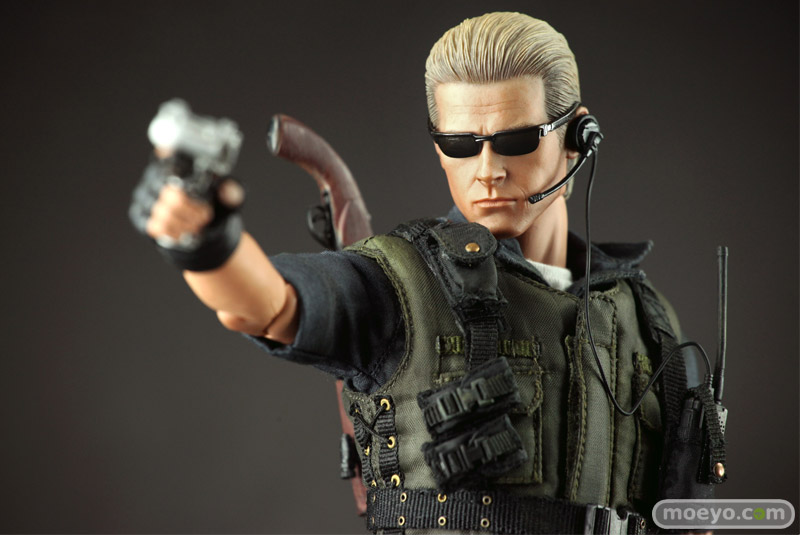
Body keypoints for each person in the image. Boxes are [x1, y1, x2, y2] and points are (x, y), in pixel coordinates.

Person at [130, 12, 707, 535]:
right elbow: (273, 306)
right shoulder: (403, 281)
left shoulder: (644, 316)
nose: (487, 169)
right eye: (460, 144)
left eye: (514, 140)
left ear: (578, 138)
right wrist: (205, 243)